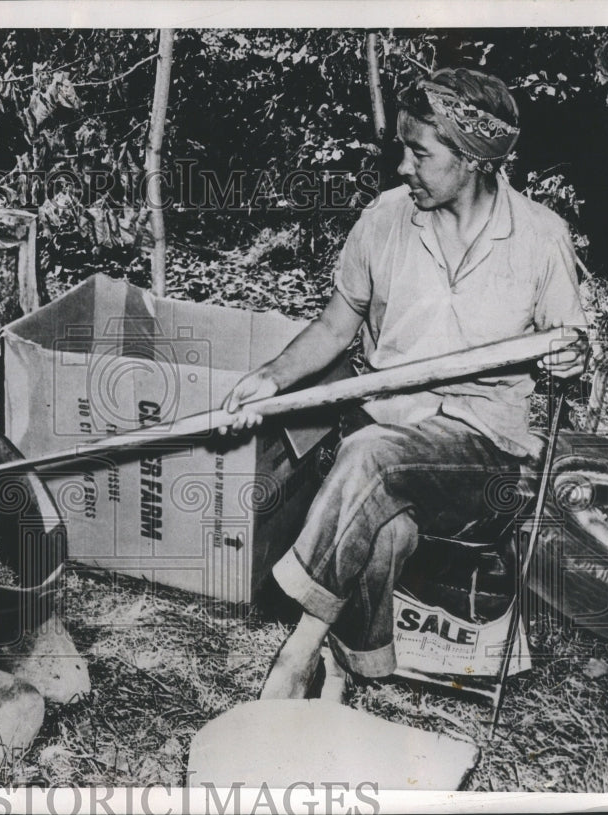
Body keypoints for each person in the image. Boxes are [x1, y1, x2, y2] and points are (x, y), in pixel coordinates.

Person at [220, 67, 588, 700]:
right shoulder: (385, 220)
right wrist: (270, 377)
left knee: (369, 457)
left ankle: (295, 653)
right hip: (390, 422)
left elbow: (568, 344)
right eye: (402, 149)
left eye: (420, 153)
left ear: (473, 159)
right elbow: (337, 324)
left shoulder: (539, 238)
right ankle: (352, 666)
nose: (403, 167)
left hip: (483, 452)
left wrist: (569, 359)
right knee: (384, 530)